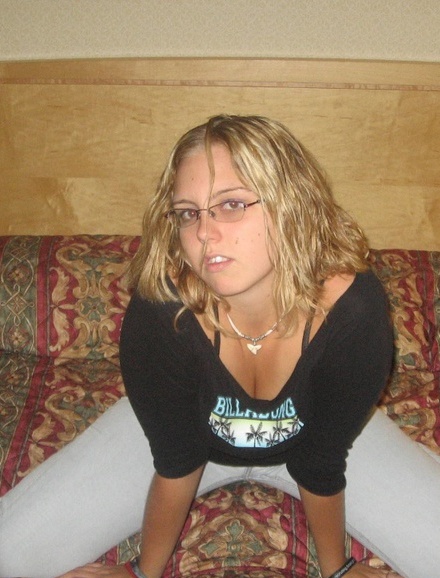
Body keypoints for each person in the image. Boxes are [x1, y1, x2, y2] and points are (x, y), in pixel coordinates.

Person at [1, 115, 440, 578]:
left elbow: (322, 460)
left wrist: (339, 571)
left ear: (291, 203)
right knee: (10, 553)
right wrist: (142, 573)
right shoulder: (162, 308)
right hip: (186, 428)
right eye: (188, 213)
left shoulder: (352, 308)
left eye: (231, 204)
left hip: (321, 431)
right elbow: (176, 459)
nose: (204, 234)